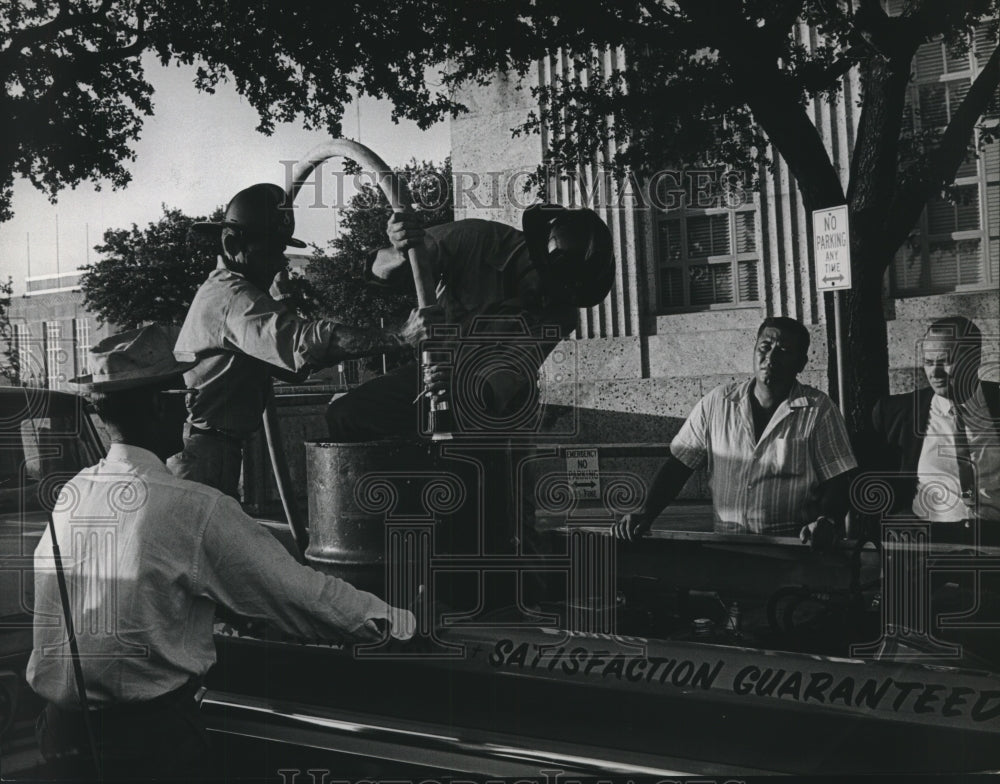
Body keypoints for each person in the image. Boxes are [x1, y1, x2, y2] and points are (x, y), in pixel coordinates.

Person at [27, 325, 415, 781]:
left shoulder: (74, 491)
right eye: (182, 390)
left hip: (58, 737)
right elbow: (303, 598)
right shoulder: (193, 508)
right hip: (145, 747)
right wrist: (400, 622)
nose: (191, 402)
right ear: (157, 403)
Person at [169, 182, 434, 497]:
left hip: (215, 448)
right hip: (202, 451)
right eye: (271, 251)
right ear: (232, 243)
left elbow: (290, 370)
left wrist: (283, 306)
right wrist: (399, 336)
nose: (280, 261)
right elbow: (305, 343)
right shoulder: (231, 298)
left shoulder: (237, 294)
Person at [325, 204, 615, 441]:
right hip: (431, 372)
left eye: (560, 294)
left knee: (493, 484)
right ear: (535, 255)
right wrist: (401, 252)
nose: (546, 297)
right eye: (546, 285)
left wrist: (464, 391)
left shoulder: (560, 313)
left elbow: (509, 376)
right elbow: (382, 268)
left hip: (493, 399)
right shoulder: (476, 238)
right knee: (346, 415)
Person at [612, 317, 856, 546]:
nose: (771, 357)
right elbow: (679, 466)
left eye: (784, 351)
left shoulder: (819, 410)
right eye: (765, 346)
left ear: (801, 363)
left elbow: (837, 478)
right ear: (753, 351)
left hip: (793, 548)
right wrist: (646, 513)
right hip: (727, 546)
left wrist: (828, 520)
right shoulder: (717, 403)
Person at [870, 316, 999, 539]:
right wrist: (895, 515)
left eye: (945, 361)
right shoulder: (896, 413)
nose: (935, 373)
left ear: (974, 359)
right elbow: (873, 476)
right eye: (929, 362)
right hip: (930, 541)